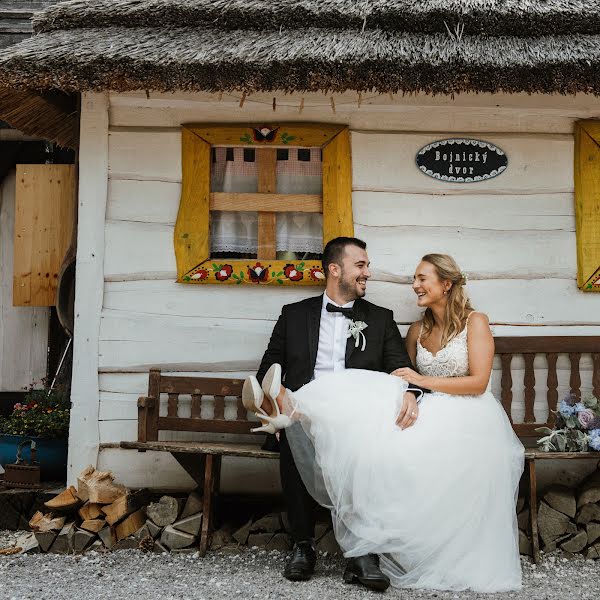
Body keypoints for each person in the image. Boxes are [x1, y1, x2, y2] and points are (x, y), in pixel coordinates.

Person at [245, 251, 524, 593]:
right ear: (336, 270)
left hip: (465, 414)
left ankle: (366, 549)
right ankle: (291, 416)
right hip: (417, 410)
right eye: (415, 279)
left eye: (422, 279)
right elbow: (402, 372)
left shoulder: (467, 322)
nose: (415, 285)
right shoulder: (417, 328)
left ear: (446, 284)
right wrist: (411, 386)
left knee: (381, 443)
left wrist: (416, 387)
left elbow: (467, 381)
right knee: (331, 426)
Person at [249, 236, 426, 591]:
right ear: (335, 270)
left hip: (357, 420)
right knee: (292, 433)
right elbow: (268, 370)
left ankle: (363, 553)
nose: (367, 273)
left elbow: (401, 368)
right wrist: (282, 402)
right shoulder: (294, 316)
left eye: (367, 266)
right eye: (360, 266)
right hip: (305, 414)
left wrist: (410, 391)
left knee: (366, 446)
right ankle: (303, 545)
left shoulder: (379, 319)